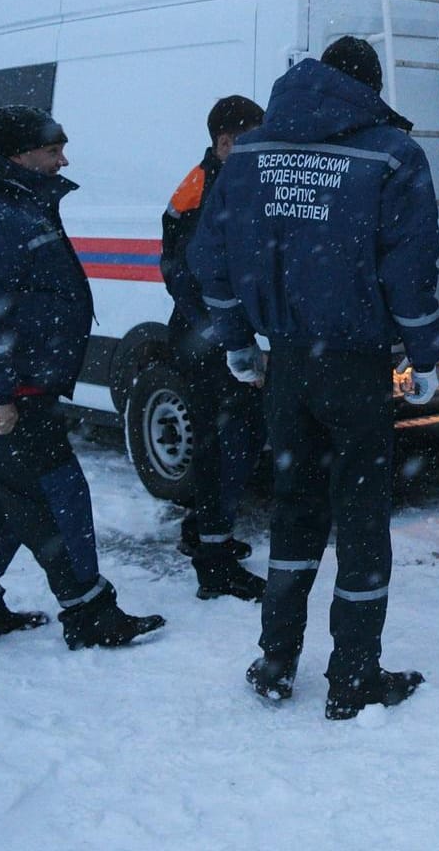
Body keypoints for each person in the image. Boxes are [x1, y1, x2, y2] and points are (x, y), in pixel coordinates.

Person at [190, 36, 439, 720]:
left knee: (295, 509)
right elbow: (410, 269)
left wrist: (240, 343)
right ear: (370, 86)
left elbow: (210, 259)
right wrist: (424, 355)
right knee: (361, 518)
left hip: (287, 366)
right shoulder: (391, 156)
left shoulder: (246, 155)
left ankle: (276, 659)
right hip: (356, 366)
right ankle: (353, 676)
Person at [0, 105, 167, 650]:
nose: (64, 158)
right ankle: (90, 614)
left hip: (18, 383)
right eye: (53, 148)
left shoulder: (13, 202)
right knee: (56, 494)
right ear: (19, 155)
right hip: (6, 391)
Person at [159, 94, 268, 601]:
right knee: (226, 444)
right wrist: (225, 336)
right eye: (251, 135)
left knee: (229, 440)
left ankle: (204, 532)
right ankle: (214, 563)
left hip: (211, 335)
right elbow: (185, 273)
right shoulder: (203, 189)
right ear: (225, 142)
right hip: (206, 340)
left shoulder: (216, 179)